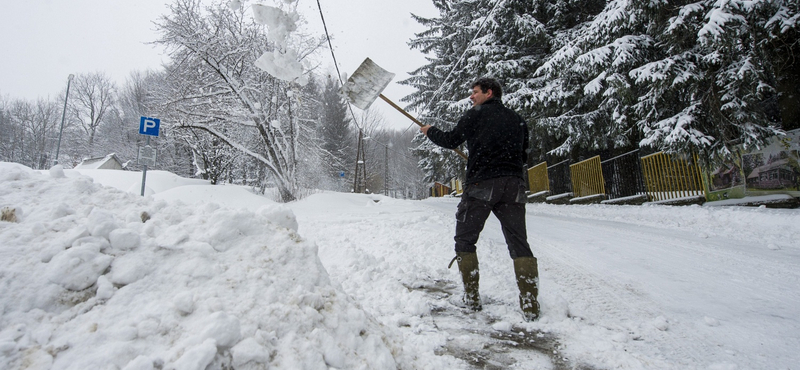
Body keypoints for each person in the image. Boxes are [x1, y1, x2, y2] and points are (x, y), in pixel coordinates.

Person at [420, 77, 539, 321]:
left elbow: (451, 140)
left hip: (482, 185)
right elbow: (523, 155)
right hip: (513, 186)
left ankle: (472, 298)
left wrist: (429, 131)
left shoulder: (475, 115)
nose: (471, 97)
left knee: (465, 238)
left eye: (475, 92)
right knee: (519, 242)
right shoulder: (518, 120)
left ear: (489, 92)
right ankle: (530, 304)